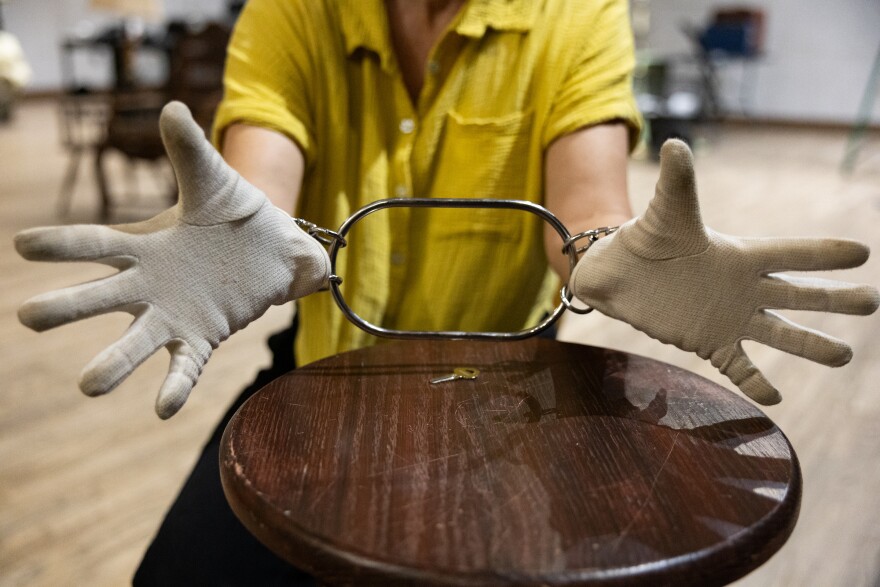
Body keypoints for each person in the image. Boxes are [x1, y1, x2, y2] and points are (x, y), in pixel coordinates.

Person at [134, 0, 642, 583]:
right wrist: (232, 240)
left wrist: (628, 261)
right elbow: (260, 186)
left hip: (508, 392)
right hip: (327, 368)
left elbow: (588, 213)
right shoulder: (293, 11)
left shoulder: (578, 13)